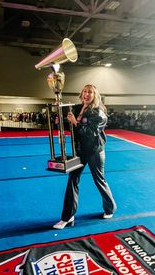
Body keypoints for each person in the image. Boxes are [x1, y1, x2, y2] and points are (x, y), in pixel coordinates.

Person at [53, 84, 117, 229]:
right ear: (81, 94)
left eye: (90, 92)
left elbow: (90, 132)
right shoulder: (76, 108)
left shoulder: (99, 113)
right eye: (84, 92)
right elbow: (70, 126)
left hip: (95, 151)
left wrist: (75, 122)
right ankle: (67, 216)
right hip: (80, 151)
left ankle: (110, 208)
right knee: (72, 180)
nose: (86, 94)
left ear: (95, 95)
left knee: (99, 180)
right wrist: (59, 122)